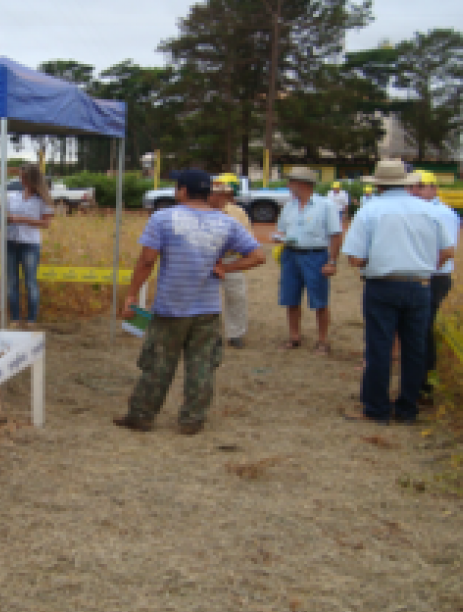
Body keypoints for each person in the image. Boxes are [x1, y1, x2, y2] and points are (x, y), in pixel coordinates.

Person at [114, 169, 265, 435]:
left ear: (182, 190)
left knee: (159, 363)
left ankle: (141, 415)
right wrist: (226, 268)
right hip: (207, 308)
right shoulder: (226, 223)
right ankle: (193, 420)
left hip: (171, 306)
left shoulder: (163, 218)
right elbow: (258, 256)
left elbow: (147, 260)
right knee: (202, 365)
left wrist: (131, 294)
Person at [341, 160, 455, 424]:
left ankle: (376, 408)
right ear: (406, 183)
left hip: (383, 285)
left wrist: (377, 263)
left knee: (379, 348)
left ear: (378, 184)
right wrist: (424, 267)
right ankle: (407, 408)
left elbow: (355, 259)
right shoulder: (431, 211)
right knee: (415, 349)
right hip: (420, 285)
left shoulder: (370, 211)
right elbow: (448, 252)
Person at [274, 166, 343, 354]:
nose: (288, 185)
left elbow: (336, 235)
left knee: (319, 299)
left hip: (316, 255)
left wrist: (332, 261)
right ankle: (294, 337)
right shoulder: (289, 207)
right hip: (290, 254)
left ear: (301, 184)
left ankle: (322, 340)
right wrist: (279, 237)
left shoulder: (326, 205)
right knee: (290, 297)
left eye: (290, 182)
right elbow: (281, 230)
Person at [410, 169, 461, 404]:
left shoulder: (443, 214)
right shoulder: (419, 212)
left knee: (423, 330)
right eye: (414, 186)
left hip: (434, 277)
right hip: (422, 276)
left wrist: (422, 272)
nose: (416, 191)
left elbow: (446, 251)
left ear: (434, 188)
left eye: (422, 186)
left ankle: (424, 385)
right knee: (417, 329)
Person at [209, 173, 255, 348]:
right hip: (205, 258)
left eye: (223, 193)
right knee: (206, 298)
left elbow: (248, 237)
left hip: (230, 259)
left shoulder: (238, 212)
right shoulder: (199, 210)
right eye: (215, 193)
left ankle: (235, 333)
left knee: (236, 296)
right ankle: (209, 334)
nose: (219, 196)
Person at [5, 164, 55, 326]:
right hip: (10, 242)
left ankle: (31, 319)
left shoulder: (43, 199)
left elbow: (46, 223)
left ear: (33, 179)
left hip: (30, 244)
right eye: (21, 176)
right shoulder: (13, 197)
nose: (22, 180)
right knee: (12, 282)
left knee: (30, 282)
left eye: (24, 177)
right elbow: (6, 217)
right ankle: (15, 318)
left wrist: (21, 219)